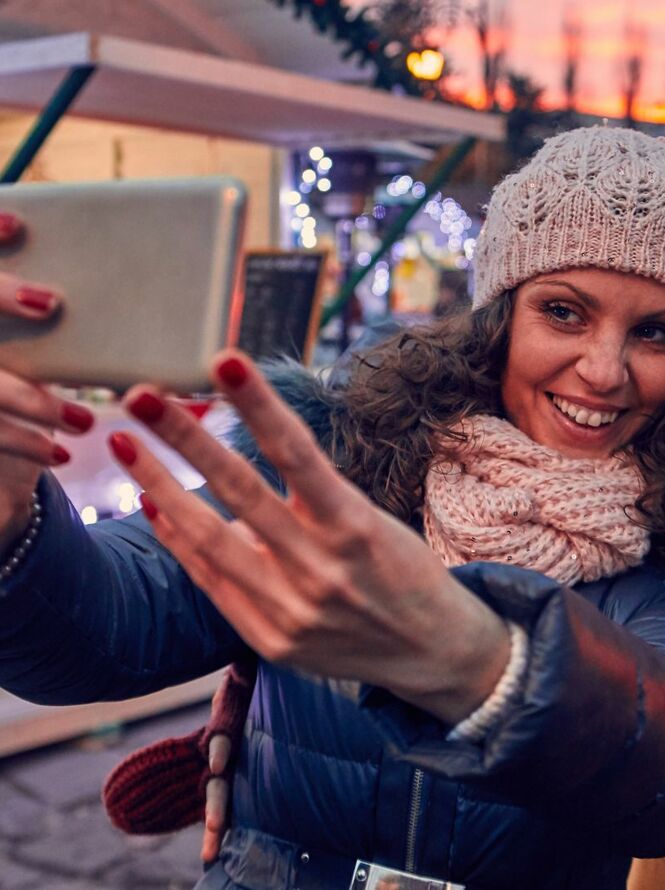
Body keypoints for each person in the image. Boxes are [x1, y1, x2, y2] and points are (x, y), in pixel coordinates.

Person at [0, 125, 664, 890]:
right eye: (564, 312)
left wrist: (481, 663)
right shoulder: (347, 455)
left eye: (653, 331)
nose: (603, 371)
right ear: (500, 313)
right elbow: (112, 623)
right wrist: (14, 523)